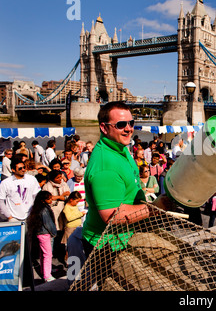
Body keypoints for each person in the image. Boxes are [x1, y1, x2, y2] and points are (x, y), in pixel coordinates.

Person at [82, 101, 150, 261]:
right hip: (106, 246)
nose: (129, 128)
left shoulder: (119, 148)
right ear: (104, 128)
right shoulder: (105, 166)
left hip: (124, 237)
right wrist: (152, 210)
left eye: (131, 123)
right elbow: (111, 215)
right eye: (121, 124)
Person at [26, 191, 57, 282]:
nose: (51, 200)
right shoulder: (44, 210)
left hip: (41, 234)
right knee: (47, 254)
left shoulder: (37, 208)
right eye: (49, 199)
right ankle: (47, 275)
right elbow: (48, 223)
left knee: (43, 254)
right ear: (43, 200)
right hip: (45, 234)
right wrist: (54, 233)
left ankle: (45, 271)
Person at [0, 157, 41, 222]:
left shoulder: (32, 179)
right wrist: (9, 216)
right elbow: (1, 201)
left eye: (24, 167)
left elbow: (36, 196)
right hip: (14, 218)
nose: (23, 170)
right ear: (13, 170)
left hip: (30, 216)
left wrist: (35, 212)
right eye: (20, 168)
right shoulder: (6, 182)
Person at [62, 191, 85, 256]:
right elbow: (69, 218)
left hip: (77, 227)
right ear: (71, 200)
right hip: (70, 229)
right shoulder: (67, 207)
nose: (77, 203)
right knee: (69, 245)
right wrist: (80, 214)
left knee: (77, 244)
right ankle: (68, 259)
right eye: (76, 201)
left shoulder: (74, 206)